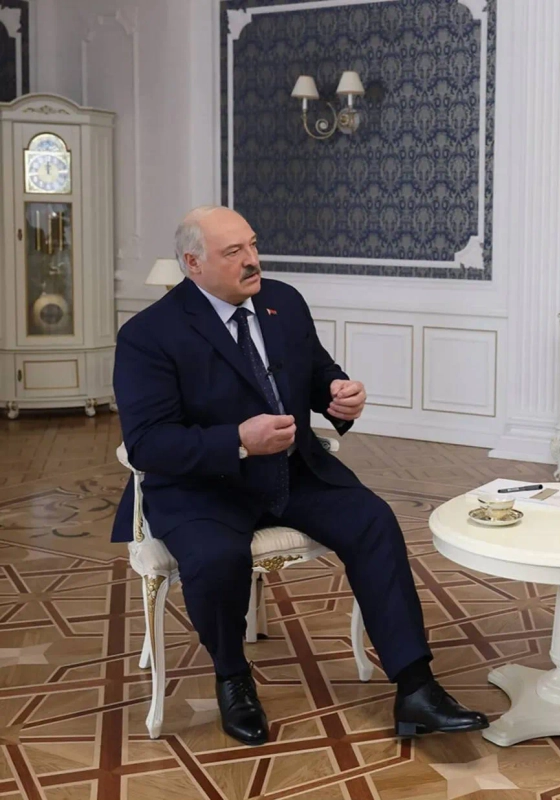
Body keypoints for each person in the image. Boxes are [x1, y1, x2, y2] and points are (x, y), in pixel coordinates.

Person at [112, 206, 488, 746]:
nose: (252, 259)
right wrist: (239, 440)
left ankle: (415, 687)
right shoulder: (148, 334)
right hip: (203, 487)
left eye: (252, 244)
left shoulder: (282, 301)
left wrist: (339, 395)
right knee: (216, 558)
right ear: (193, 264)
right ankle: (233, 679)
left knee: (375, 522)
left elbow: (316, 373)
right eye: (234, 252)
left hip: (293, 471)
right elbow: (148, 442)